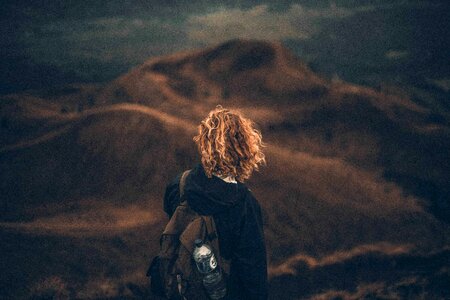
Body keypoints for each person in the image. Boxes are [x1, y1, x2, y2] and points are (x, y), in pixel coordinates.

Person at [163, 105, 268, 299]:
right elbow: (253, 275)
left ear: (205, 143)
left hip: (182, 291)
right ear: (244, 148)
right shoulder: (245, 204)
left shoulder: (179, 184)